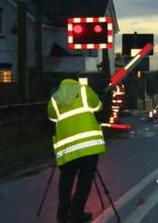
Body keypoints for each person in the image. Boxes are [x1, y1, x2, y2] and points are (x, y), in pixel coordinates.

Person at [48, 78, 106, 223]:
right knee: (85, 180)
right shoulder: (85, 91)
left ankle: (62, 214)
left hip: (68, 148)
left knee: (66, 180)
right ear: (76, 82)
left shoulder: (55, 99)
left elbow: (51, 117)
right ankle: (77, 212)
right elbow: (98, 106)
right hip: (88, 147)